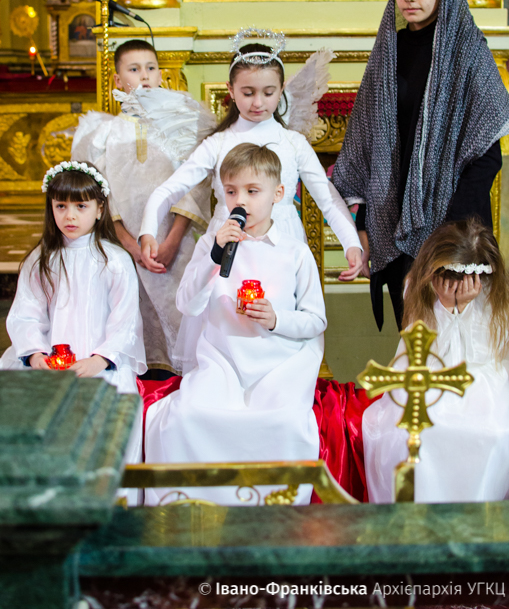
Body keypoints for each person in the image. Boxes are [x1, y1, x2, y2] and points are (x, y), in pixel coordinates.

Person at [332, 0, 509, 330]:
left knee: (457, 349)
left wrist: (451, 238)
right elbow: (369, 150)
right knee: (414, 347)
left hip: (455, 231)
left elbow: (486, 157)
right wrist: (364, 225)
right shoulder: (388, 52)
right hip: (395, 225)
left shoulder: (469, 53)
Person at [144, 143, 327, 505]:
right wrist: (214, 256)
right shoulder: (212, 245)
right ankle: (196, 508)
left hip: (279, 364)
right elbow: (187, 303)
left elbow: (315, 320)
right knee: (187, 417)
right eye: (231, 191)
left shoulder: (294, 252)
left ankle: (272, 509)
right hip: (223, 359)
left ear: (278, 194)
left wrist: (276, 318)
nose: (239, 201)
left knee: (284, 422)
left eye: (252, 191)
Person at [139, 31, 362, 284]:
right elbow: (170, 189)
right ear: (231, 90)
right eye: (248, 93)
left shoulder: (294, 144)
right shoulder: (217, 144)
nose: (258, 102)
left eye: (268, 93)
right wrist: (148, 231)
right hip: (229, 241)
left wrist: (351, 244)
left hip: (282, 242)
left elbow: (327, 198)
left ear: (281, 90)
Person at [72, 40, 214, 374]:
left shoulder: (181, 128)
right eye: (134, 69)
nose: (144, 76)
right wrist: (128, 244)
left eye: (151, 68)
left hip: (175, 242)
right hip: (124, 246)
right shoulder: (104, 134)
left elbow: (196, 185)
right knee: (131, 315)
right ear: (118, 80)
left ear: (161, 75)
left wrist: (173, 239)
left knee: (181, 313)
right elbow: (99, 195)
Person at [363, 218, 509, 503]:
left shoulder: (493, 291)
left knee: (493, 432)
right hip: (427, 376)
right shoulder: (417, 286)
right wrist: (446, 308)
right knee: (413, 434)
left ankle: (477, 510)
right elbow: (424, 352)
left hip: (484, 379)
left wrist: (465, 309)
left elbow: (486, 353)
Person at [0, 161, 147, 394]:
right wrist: (35, 354)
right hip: (49, 359)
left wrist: (100, 360)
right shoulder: (41, 258)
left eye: (81, 206)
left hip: (99, 361)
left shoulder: (115, 260)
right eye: (61, 206)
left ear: (99, 209)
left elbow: (125, 320)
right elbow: (26, 313)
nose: (70, 216)